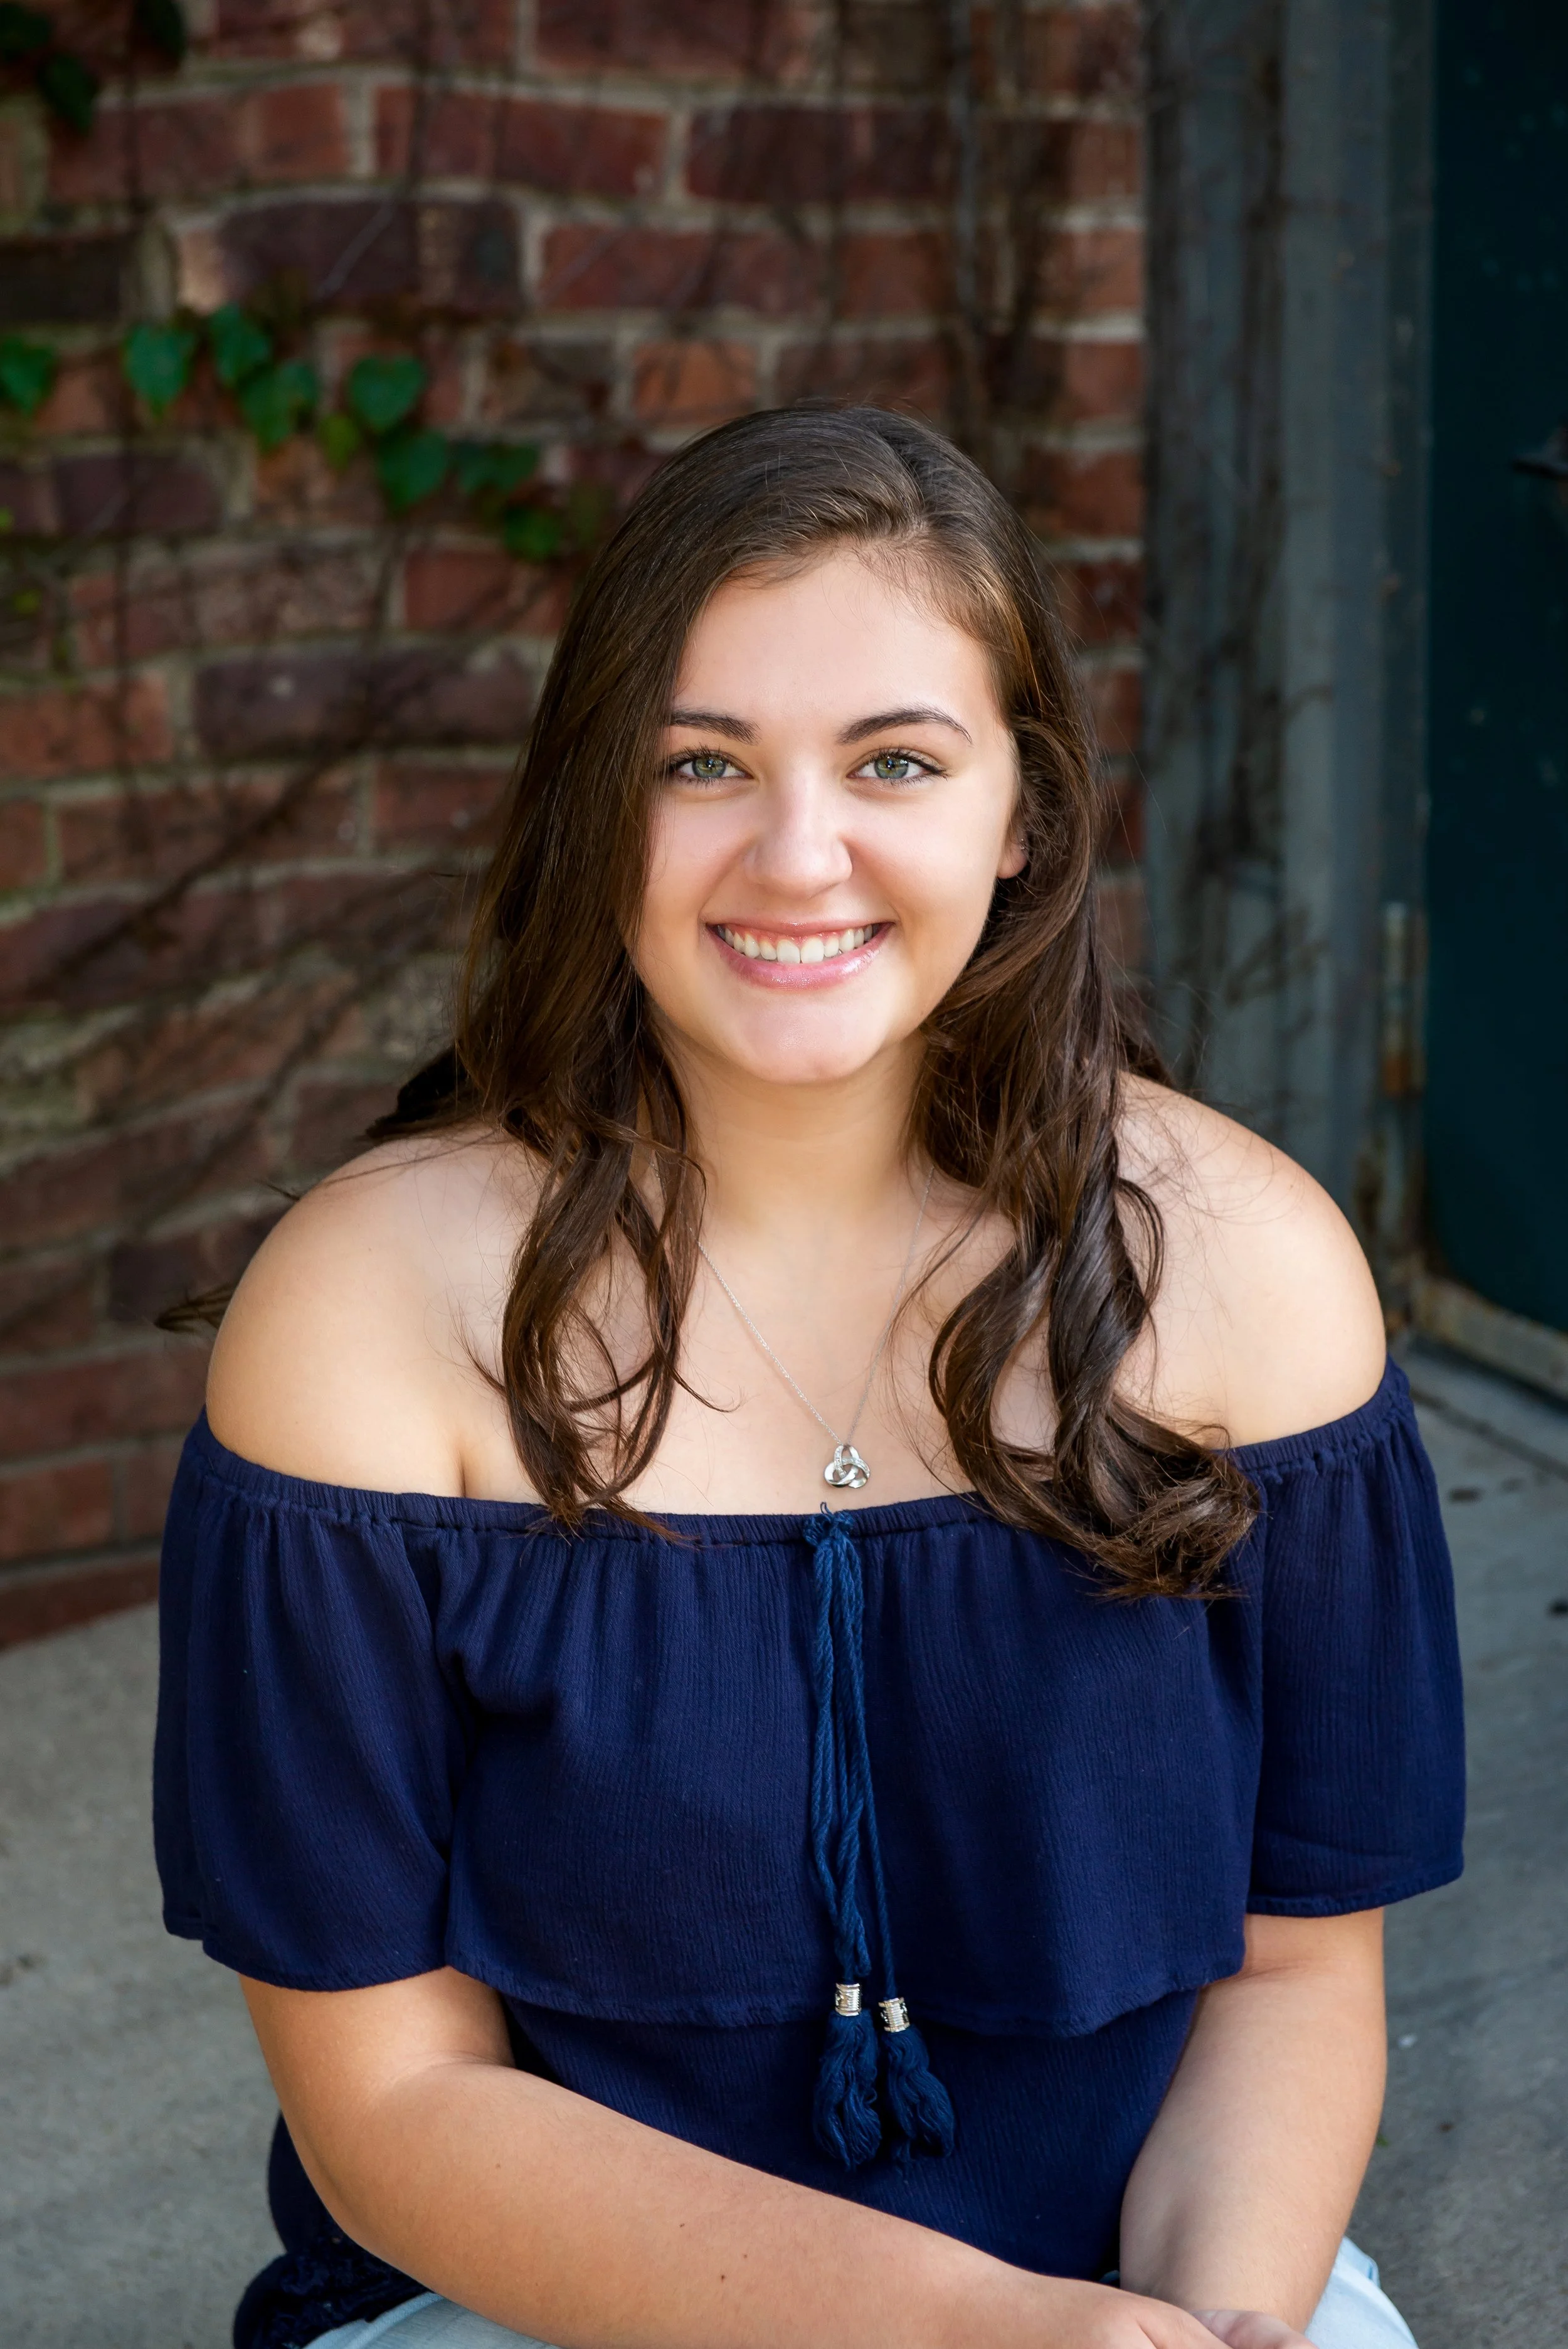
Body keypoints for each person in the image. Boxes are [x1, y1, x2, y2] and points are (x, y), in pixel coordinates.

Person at [154, 406, 1463, 2349]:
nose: (796, 854)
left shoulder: (1247, 1277)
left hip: (1152, 2293)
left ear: (1018, 811)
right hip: (539, 2305)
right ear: (596, 800)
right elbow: (391, 2106)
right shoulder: (361, 1322)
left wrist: (1204, 2333)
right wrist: (964, 2334)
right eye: (701, 764)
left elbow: (1288, 1984)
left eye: (895, 761)